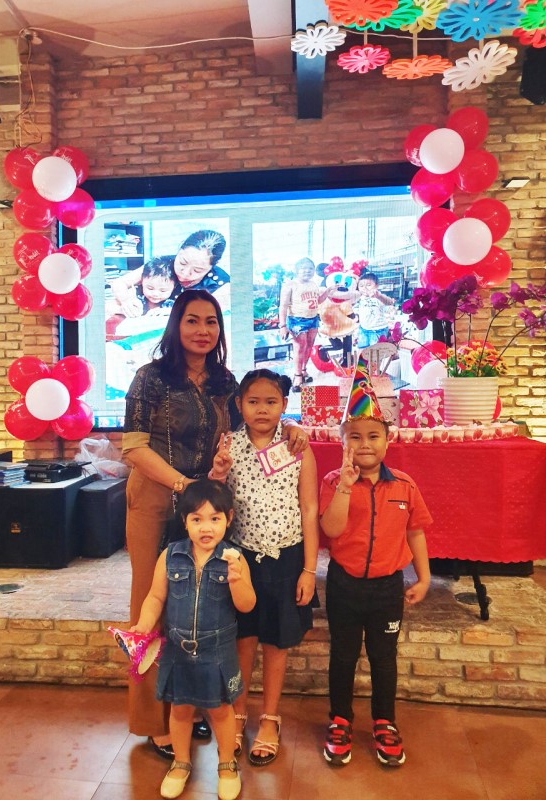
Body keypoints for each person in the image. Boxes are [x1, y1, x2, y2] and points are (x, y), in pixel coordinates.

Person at [122, 289, 308, 758]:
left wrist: (290, 427)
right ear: (176, 324)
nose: (202, 330)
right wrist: (183, 484)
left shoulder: (224, 380)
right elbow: (134, 447)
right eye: (192, 320)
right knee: (152, 603)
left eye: (211, 322)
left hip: (206, 506)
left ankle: (191, 705)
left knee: (201, 605)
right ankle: (155, 721)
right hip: (157, 498)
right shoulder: (151, 377)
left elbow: (253, 420)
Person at [318, 356, 432, 769]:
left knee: (384, 657)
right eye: (355, 437)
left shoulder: (404, 485)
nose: (364, 444)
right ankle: (340, 720)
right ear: (343, 441)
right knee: (343, 655)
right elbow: (331, 529)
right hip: (344, 585)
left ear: (387, 440)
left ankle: (385, 721)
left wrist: (423, 577)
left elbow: (415, 531)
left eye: (372, 436)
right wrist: (346, 488)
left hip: (387, 588)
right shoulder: (334, 482)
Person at [209, 369, 319, 767]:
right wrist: (217, 473)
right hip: (240, 558)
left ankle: (270, 718)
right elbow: (215, 505)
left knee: (277, 642)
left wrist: (309, 570)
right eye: (253, 401)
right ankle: (238, 713)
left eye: (271, 402)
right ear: (239, 404)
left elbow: (309, 508)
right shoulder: (229, 445)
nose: (262, 409)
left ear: (284, 405)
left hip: (287, 558)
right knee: (242, 640)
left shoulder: (297, 445)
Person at [131, 479, 256, 800]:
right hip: (178, 650)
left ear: (228, 519)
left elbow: (247, 605)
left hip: (218, 652)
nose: (206, 527)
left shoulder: (234, 558)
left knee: (221, 712)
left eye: (215, 518)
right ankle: (181, 763)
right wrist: (144, 623)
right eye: (197, 519)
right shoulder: (170, 555)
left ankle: (227, 765)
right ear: (184, 521)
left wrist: (237, 581)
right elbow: (156, 597)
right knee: (180, 710)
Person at [111, 229, 230, 316]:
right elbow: (119, 283)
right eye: (182, 262)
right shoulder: (161, 265)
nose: (185, 273)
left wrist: (177, 312)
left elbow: (214, 311)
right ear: (180, 250)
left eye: (197, 270)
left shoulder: (221, 282)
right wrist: (126, 301)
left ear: (212, 266)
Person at [279, 257, 334, 391]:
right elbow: (283, 306)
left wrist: (328, 291)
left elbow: (318, 301)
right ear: (296, 270)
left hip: (313, 319)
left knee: (309, 346)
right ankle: (297, 376)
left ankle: (304, 370)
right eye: (304, 268)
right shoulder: (290, 285)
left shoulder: (313, 284)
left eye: (310, 268)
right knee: (299, 348)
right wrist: (282, 326)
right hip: (297, 321)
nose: (307, 271)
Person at [106, 256, 176, 337]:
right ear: (141, 281)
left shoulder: (172, 303)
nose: (155, 294)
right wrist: (123, 309)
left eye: (163, 291)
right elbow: (108, 307)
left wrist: (170, 312)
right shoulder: (137, 297)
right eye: (150, 288)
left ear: (174, 287)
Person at [350, 271, 395, 349]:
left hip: (378, 330)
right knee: (362, 349)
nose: (364, 288)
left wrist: (379, 296)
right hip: (363, 329)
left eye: (368, 285)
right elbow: (355, 308)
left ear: (376, 286)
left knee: (376, 352)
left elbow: (390, 302)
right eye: (361, 286)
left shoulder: (379, 297)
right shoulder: (360, 298)